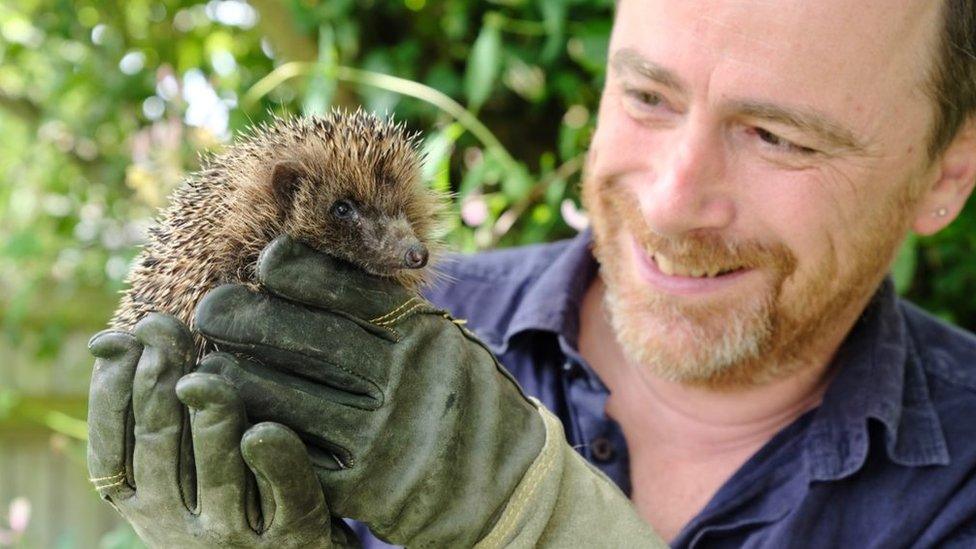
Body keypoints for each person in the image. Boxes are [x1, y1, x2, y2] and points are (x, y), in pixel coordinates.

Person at [86, 0, 976, 547]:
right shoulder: (402, 327)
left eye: (778, 135)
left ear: (945, 175)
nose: (670, 205)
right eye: (647, 97)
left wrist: (536, 519)